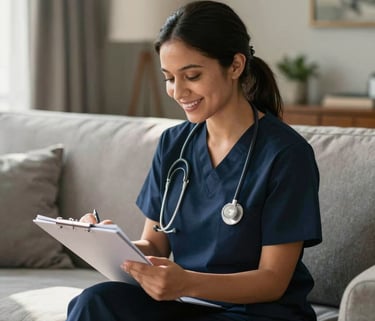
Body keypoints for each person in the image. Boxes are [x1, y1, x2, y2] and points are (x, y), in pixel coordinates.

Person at [66, 1, 322, 320]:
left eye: (192, 75)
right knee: (96, 302)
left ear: (235, 66)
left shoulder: (285, 154)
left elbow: (272, 281)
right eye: (169, 78)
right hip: (190, 306)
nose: (178, 91)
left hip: (259, 313)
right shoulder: (174, 144)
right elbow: (156, 247)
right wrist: (108, 245)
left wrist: (186, 282)